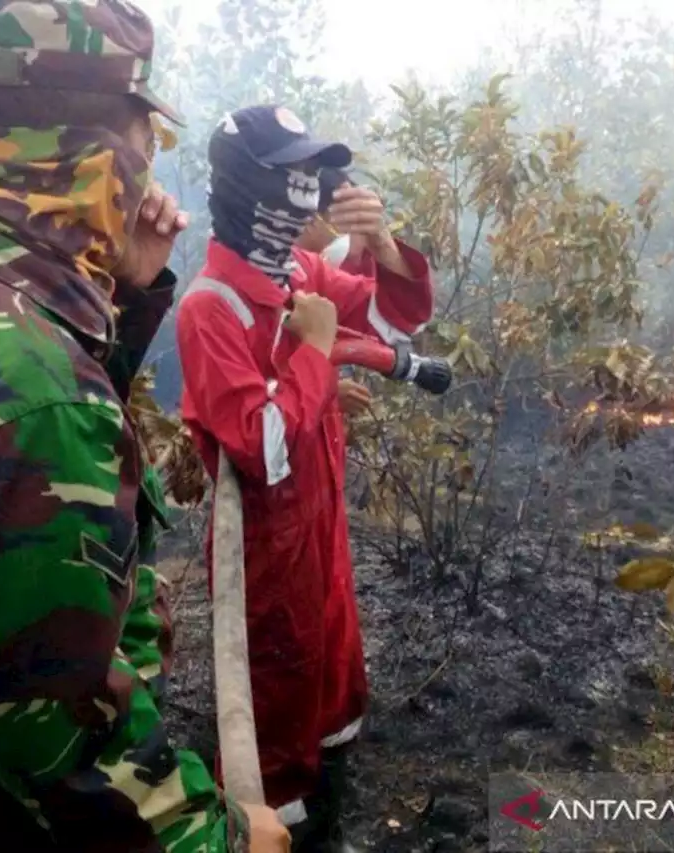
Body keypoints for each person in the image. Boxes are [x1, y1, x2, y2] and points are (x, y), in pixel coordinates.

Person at [0, 2, 290, 851]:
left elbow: (32, 469)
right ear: (90, 159)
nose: (148, 170)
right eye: (140, 141)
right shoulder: (36, 396)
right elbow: (62, 752)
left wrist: (119, 298)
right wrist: (227, 837)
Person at [174, 106, 434, 852]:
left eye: (311, 176)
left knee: (331, 662)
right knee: (276, 686)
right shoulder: (209, 308)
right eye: (292, 177)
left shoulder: (298, 271)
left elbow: (390, 321)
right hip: (265, 544)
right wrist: (317, 353)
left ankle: (334, 792)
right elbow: (262, 447)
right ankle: (278, 825)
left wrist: (381, 243)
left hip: (321, 521)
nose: (310, 191)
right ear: (250, 185)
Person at [295, 167, 429, 418]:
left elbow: (400, 318)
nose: (359, 237)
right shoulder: (233, 294)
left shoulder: (318, 276)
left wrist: (382, 241)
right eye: (346, 222)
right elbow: (252, 422)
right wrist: (324, 395)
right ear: (311, 220)